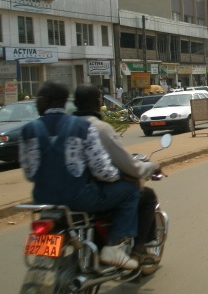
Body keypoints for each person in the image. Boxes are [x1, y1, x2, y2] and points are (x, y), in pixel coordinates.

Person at [19, 81, 140, 270]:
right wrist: (120, 177)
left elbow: (29, 173)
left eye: (39, 99)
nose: (36, 103)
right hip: (80, 199)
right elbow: (102, 170)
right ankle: (113, 246)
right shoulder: (82, 127)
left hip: (43, 201)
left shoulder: (28, 130)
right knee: (131, 191)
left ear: (49, 101)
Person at [74, 84, 163, 260]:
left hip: (65, 193)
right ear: (98, 104)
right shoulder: (99, 128)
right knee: (143, 195)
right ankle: (134, 248)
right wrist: (148, 168)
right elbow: (122, 165)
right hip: (92, 192)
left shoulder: (66, 127)